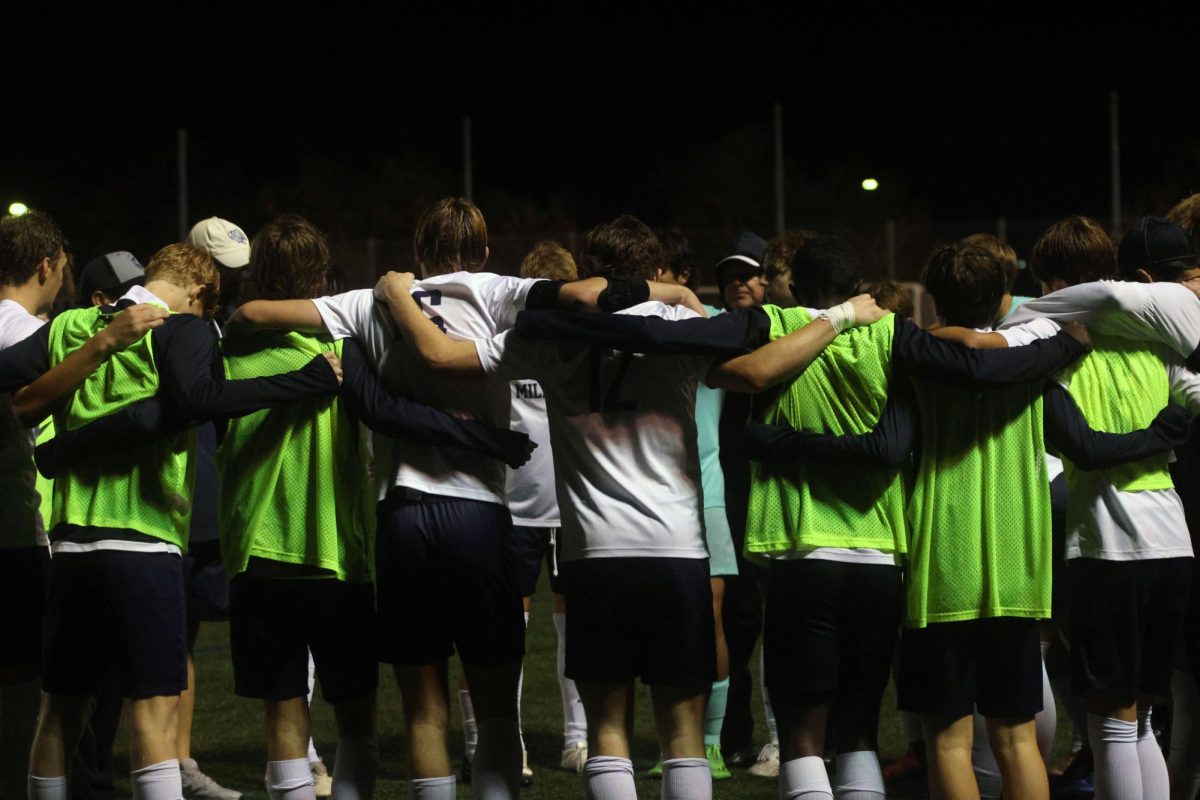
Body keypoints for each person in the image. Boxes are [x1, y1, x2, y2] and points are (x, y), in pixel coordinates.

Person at [225, 199, 700, 800]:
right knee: (496, 706)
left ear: (418, 252)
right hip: (478, 513)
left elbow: (253, 312)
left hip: (402, 513)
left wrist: (385, 293)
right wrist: (671, 291)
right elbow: (585, 297)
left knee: (425, 708)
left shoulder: (371, 300)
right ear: (481, 251)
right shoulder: (499, 289)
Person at [1, 242, 343, 800]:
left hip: (70, 548)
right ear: (200, 294)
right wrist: (304, 380)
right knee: (154, 715)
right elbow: (202, 398)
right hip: (143, 541)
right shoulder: (183, 329)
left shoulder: (73, 324)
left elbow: (10, 374)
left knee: (59, 712)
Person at [0, 213, 166, 800]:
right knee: (31, 687)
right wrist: (104, 342)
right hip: (13, 532)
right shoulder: (20, 328)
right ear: (46, 265)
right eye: (62, 270)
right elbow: (25, 403)